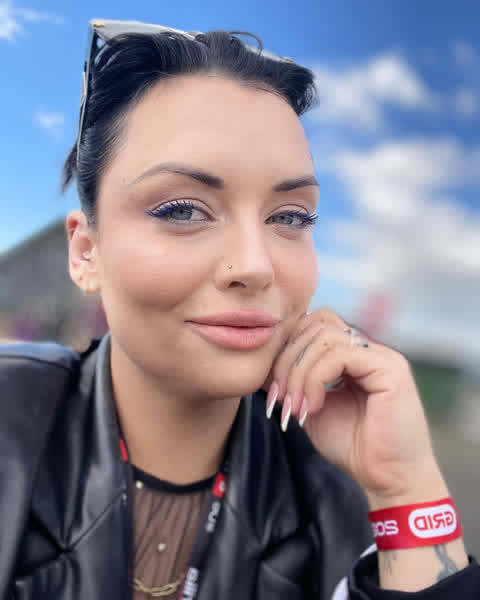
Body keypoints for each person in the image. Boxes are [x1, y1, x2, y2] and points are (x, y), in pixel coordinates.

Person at [0, 18, 478, 600]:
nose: (255, 266)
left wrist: (405, 488)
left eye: (290, 217)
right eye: (182, 209)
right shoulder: (11, 418)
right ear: (85, 253)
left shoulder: (341, 484)